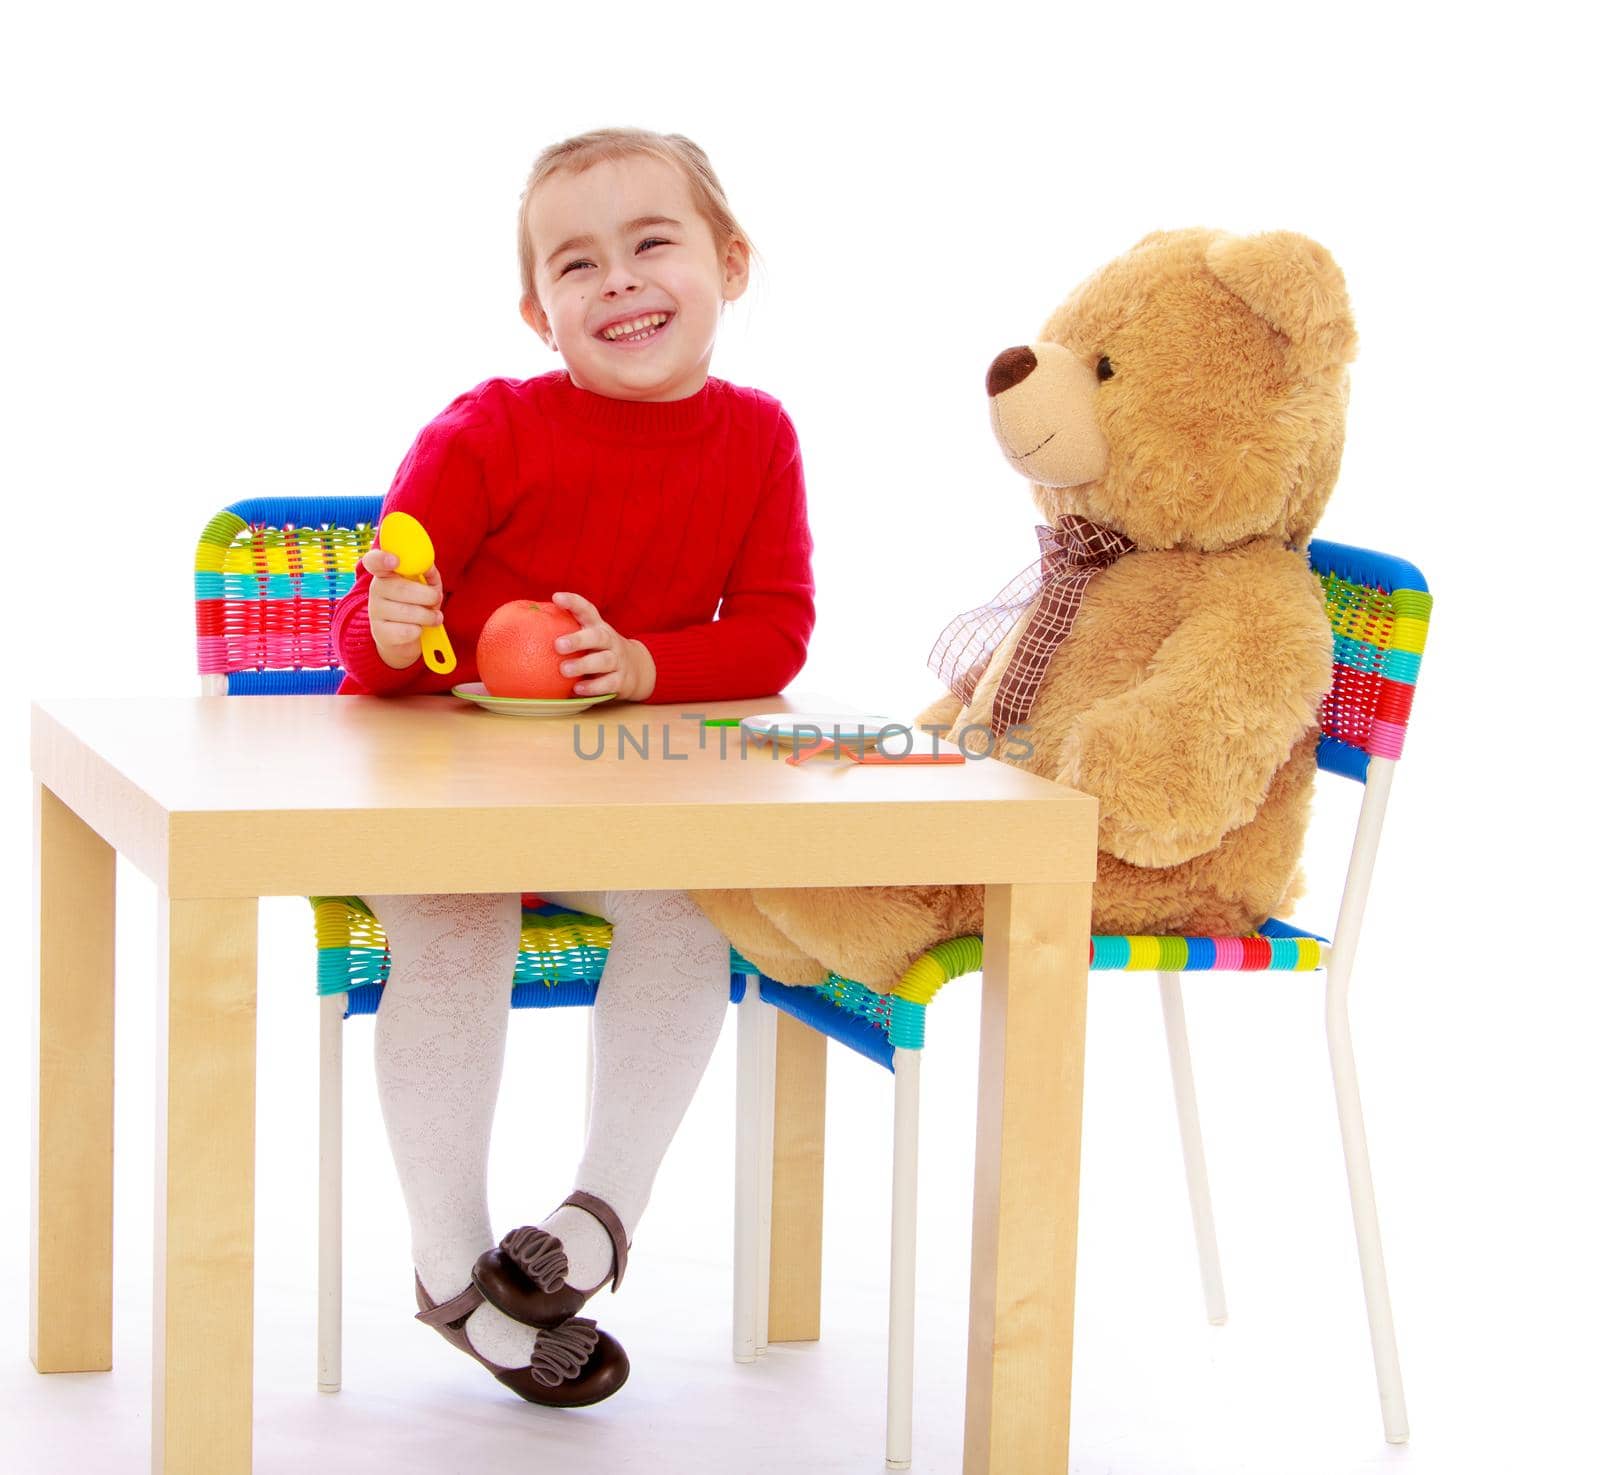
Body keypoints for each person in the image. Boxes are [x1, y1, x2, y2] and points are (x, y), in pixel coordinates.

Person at [330, 126, 815, 1406]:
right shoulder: (484, 430)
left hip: (614, 815)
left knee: (690, 901)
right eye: (576, 263)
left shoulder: (758, 440)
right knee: (453, 916)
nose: (619, 281)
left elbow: (776, 630)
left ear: (731, 261)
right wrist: (385, 629)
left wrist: (649, 664)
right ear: (539, 311)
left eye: (650, 243)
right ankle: (452, 1272)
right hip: (446, 810)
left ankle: (599, 1212)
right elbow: (381, 622)